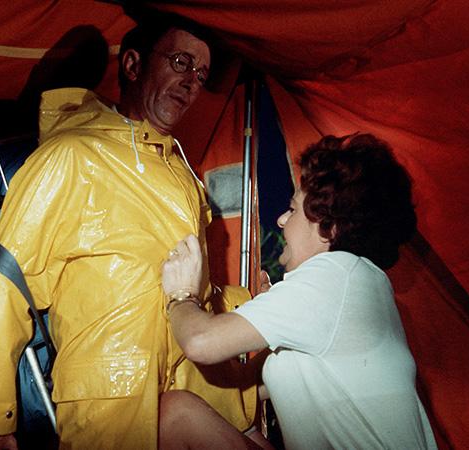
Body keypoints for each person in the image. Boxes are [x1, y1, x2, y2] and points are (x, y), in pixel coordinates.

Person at [0, 14, 258, 450]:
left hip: (194, 391)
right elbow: (6, 282)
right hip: (110, 402)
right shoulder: (70, 155)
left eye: (201, 73)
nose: (192, 81)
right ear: (133, 66)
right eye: (180, 62)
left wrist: (255, 302)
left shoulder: (183, 176)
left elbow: (188, 288)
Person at [159, 134, 438, 449]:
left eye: (292, 210)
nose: (281, 221)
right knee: (238, 428)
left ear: (327, 228)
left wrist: (181, 294)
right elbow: (250, 386)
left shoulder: (335, 274)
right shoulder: (360, 282)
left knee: (175, 415)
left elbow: (200, 342)